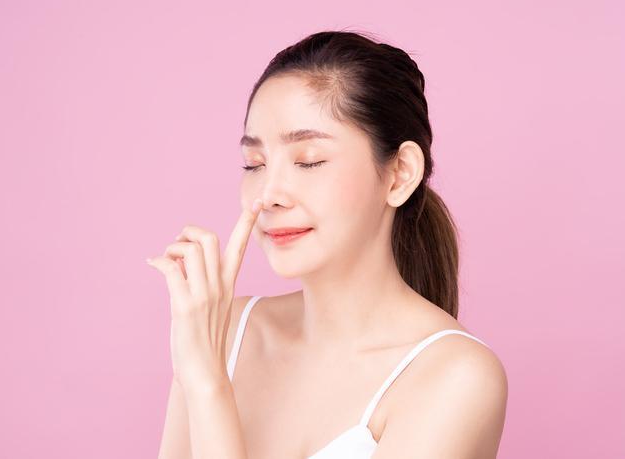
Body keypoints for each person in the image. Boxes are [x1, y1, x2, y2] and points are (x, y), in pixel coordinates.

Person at [157, 29, 508, 458]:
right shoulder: (223, 331)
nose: (268, 194)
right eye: (254, 164)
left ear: (400, 174)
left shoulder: (455, 376)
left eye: (309, 161)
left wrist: (209, 386)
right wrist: (202, 366)